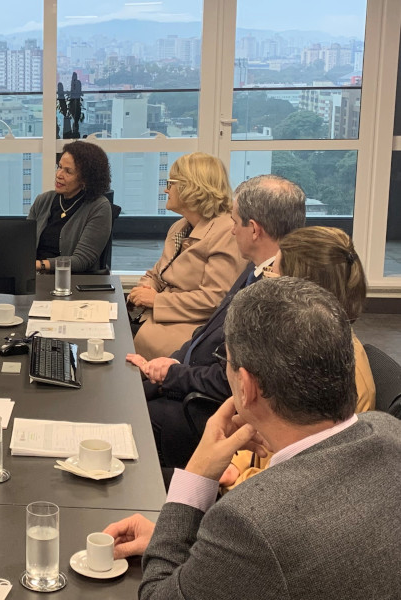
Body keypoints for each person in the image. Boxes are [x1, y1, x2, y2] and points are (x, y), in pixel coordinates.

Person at [105, 277, 401, 599]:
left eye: (225, 363)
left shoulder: (251, 521)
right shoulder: (388, 429)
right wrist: (191, 550)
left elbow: (157, 596)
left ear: (246, 386)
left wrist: (196, 476)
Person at [127, 174, 307, 469]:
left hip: (210, 407)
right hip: (197, 381)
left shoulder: (277, 294)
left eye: (235, 222)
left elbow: (232, 381)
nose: (231, 230)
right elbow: (208, 332)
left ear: (255, 229)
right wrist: (172, 363)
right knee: (129, 388)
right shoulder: (256, 269)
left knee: (132, 416)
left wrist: (174, 374)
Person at [221, 226, 375, 489]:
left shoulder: (338, 372)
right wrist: (237, 463)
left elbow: (307, 477)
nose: (264, 280)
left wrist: (237, 477)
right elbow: (264, 425)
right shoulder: (296, 343)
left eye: (273, 273)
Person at [128, 152, 244, 359]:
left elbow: (215, 300)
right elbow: (157, 273)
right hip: (158, 318)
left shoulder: (227, 232)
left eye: (170, 183)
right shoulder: (180, 226)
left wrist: (157, 300)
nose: (166, 189)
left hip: (190, 331)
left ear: (191, 186)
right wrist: (146, 287)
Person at [28, 140, 112, 274]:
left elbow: (81, 261)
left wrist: (39, 265)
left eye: (68, 171)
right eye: (59, 167)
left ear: (85, 179)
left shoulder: (99, 207)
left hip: (72, 283)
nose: (59, 175)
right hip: (36, 279)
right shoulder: (43, 200)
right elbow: (25, 244)